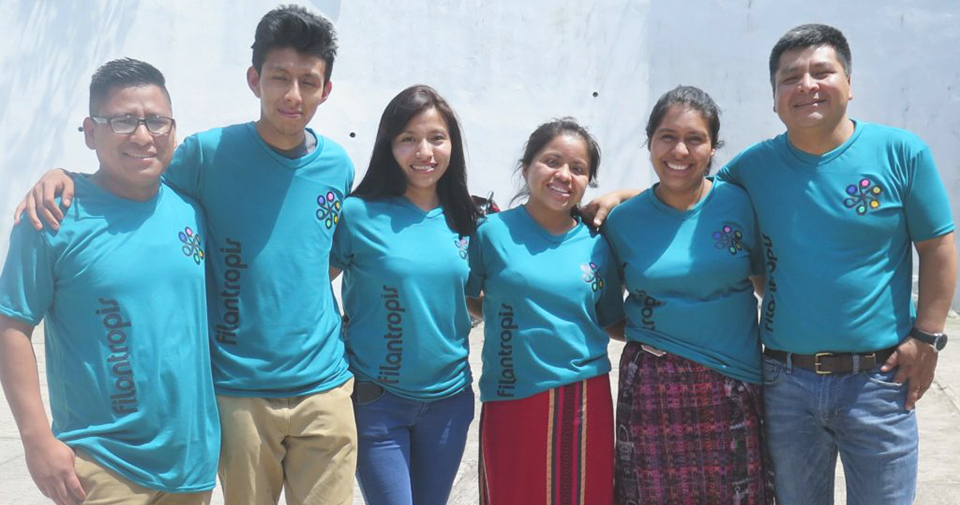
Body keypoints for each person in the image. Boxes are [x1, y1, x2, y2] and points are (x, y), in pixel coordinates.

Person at [585, 24, 957, 505]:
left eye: (822, 71)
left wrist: (926, 338)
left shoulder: (901, 153)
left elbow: (938, 246)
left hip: (878, 381)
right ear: (774, 98)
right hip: (786, 381)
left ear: (849, 82)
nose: (807, 85)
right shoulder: (755, 167)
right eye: (790, 77)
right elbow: (689, 187)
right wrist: (621, 196)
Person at [12, 6, 359, 505]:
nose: (293, 94)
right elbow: (127, 179)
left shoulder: (336, 165)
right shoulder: (205, 156)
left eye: (309, 81)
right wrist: (62, 175)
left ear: (326, 89)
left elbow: (318, 258)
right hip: (235, 393)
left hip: (318, 386)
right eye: (279, 77)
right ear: (253, 79)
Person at [0, 58, 219, 505]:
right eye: (122, 120)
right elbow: (12, 326)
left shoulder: (190, 210)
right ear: (90, 130)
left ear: (173, 129)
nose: (143, 135)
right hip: (103, 466)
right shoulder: (52, 217)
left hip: (192, 465)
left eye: (156, 121)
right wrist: (37, 441)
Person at [603, 86, 773, 505]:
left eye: (694, 138)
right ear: (649, 142)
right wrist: (664, 336)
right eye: (667, 136)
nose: (680, 149)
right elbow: (607, 311)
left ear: (713, 147)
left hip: (733, 379)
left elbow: (766, 283)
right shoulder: (622, 221)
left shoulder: (742, 204)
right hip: (653, 386)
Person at [329, 85, 480, 505]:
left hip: (450, 401)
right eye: (408, 139)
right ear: (388, 146)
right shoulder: (358, 214)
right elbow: (313, 285)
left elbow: (479, 299)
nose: (424, 152)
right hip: (377, 399)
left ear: (453, 145)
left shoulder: (469, 220)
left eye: (436, 138)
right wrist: (334, 348)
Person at [466, 118, 624, 505]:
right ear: (526, 167)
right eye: (552, 161)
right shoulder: (490, 233)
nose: (564, 175)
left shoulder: (599, 243)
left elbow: (611, 319)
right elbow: (471, 298)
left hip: (583, 401)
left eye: (578, 168)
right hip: (510, 395)